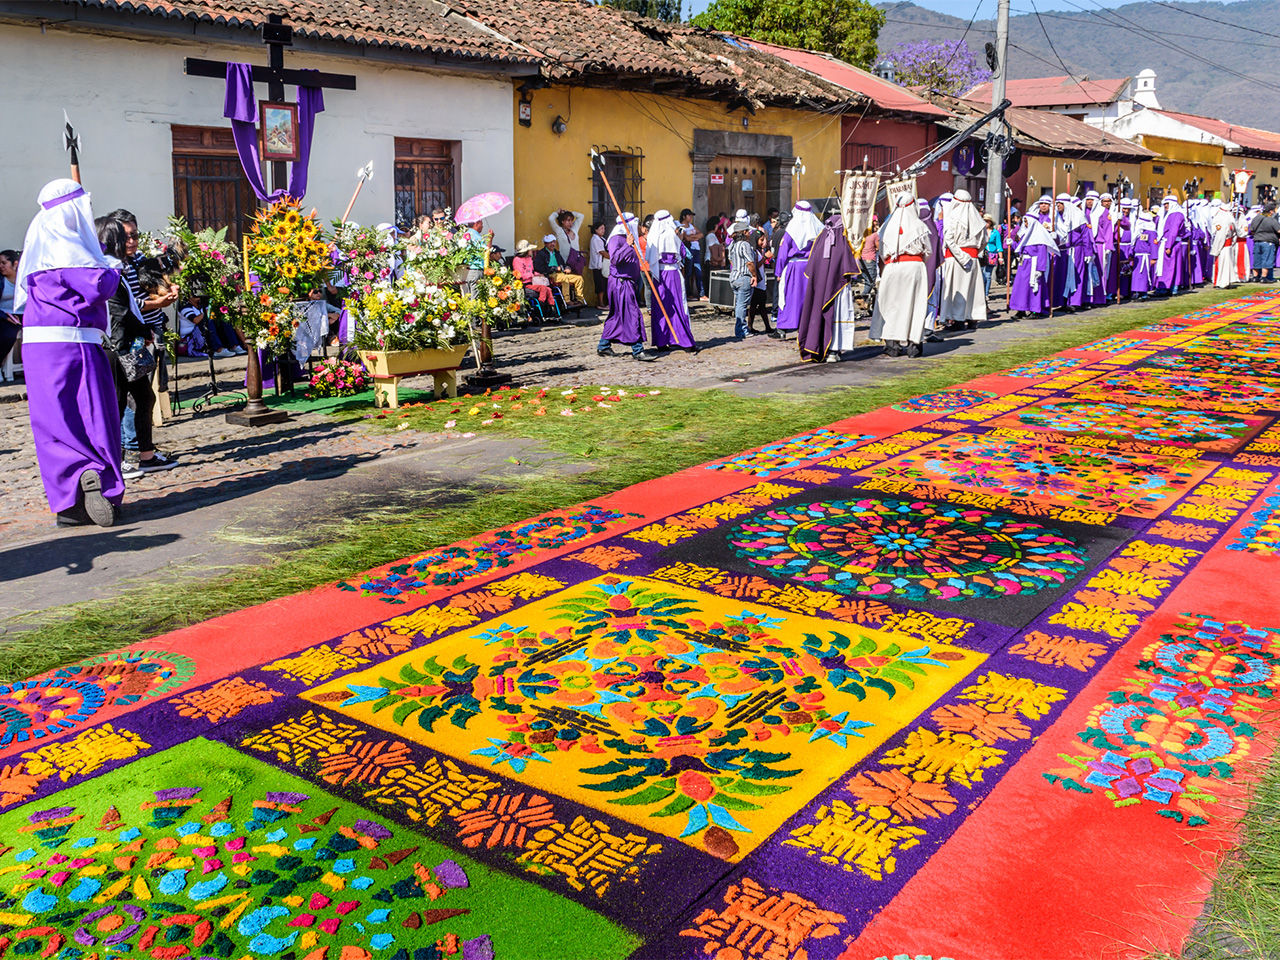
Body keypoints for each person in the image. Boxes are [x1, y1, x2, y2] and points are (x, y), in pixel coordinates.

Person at [17, 181, 127, 526]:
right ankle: (98, 478)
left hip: (37, 346)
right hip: (74, 343)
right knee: (93, 415)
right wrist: (112, 265)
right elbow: (99, 287)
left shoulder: (39, 252)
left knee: (53, 423)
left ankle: (68, 502)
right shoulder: (69, 250)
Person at [99, 219, 178, 477]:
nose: (131, 242)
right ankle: (130, 459)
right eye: (125, 238)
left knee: (143, 398)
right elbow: (120, 311)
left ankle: (141, 455)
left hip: (130, 341)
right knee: (127, 402)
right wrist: (144, 331)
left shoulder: (123, 267)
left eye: (133, 236)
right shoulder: (107, 271)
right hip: (120, 344)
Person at [870, 194, 932, 358]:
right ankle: (913, 346)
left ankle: (893, 346)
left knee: (892, 306)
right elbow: (928, 251)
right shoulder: (919, 226)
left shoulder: (885, 226)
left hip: (891, 268)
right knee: (914, 306)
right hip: (914, 268)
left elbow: (881, 253)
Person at [797, 212, 859, 362]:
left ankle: (822, 347)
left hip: (820, 288)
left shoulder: (820, 239)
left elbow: (812, 266)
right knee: (837, 314)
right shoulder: (842, 240)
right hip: (838, 288)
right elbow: (849, 267)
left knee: (821, 313)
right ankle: (833, 350)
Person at [598, 214, 656, 361]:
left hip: (628, 282)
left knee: (617, 315)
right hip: (620, 283)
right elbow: (615, 259)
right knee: (632, 314)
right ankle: (638, 350)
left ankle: (603, 345)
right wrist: (627, 245)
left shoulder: (630, 239)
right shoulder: (615, 239)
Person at [643, 211, 698, 352]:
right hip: (672, 274)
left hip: (658, 275)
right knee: (678, 306)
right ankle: (684, 341)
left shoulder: (653, 236)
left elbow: (649, 257)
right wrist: (680, 238)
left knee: (660, 307)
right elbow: (682, 254)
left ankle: (662, 341)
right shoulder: (671, 235)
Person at [939, 189, 987, 331]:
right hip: (972, 258)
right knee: (972, 290)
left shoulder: (952, 217)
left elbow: (949, 240)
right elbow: (984, 240)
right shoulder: (978, 219)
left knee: (957, 290)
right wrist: (973, 253)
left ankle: (958, 320)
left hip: (956, 258)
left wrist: (961, 256)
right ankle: (972, 318)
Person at [773, 200, 822, 340]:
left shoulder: (791, 231)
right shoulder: (817, 229)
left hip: (794, 268)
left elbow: (783, 253)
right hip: (811, 267)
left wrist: (778, 272)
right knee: (807, 298)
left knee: (789, 297)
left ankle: (783, 327)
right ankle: (805, 326)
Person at [1008, 196, 1059, 319]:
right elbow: (1020, 249)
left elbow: (1042, 253)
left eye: (1026, 222)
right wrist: (1012, 243)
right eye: (1024, 221)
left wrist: (1040, 269)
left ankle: (1035, 310)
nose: (1025, 224)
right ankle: (1021, 309)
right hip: (1023, 264)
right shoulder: (1025, 235)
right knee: (1021, 288)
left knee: (1034, 288)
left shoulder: (1039, 236)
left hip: (1034, 265)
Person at [727, 220, 757, 340]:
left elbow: (731, 260)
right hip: (743, 277)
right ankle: (741, 330)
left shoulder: (732, 245)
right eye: (748, 231)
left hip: (734, 276)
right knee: (742, 305)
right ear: (744, 232)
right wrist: (754, 275)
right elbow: (750, 262)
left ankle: (740, 328)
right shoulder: (745, 245)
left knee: (739, 304)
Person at [533, 235, 585, 304]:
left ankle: (580, 300)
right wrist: (554, 268)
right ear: (545, 243)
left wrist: (567, 267)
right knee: (564, 278)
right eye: (550, 242)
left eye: (554, 242)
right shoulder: (541, 254)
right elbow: (539, 267)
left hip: (561, 274)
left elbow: (563, 263)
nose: (552, 244)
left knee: (579, 278)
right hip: (549, 275)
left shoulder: (556, 253)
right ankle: (567, 300)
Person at [1156, 195, 1189, 296]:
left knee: (1168, 267)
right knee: (1170, 266)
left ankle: (1166, 287)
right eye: (1164, 204)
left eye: (1167, 204)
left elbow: (1173, 231)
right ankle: (1169, 287)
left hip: (1171, 243)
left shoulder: (1176, 214)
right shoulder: (1168, 214)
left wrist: (1168, 246)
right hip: (1168, 242)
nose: (1165, 206)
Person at [512, 240, 556, 310]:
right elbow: (520, 275)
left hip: (533, 282)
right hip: (524, 284)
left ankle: (552, 306)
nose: (532, 251)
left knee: (549, 289)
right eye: (530, 249)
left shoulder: (529, 259)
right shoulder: (517, 260)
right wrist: (532, 275)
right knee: (543, 288)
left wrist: (539, 275)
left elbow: (532, 271)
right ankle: (542, 305)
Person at [1209, 199, 1241, 288]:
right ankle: (1224, 282)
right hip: (1228, 245)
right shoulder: (1229, 218)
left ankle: (1221, 283)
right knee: (1226, 265)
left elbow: (1220, 236)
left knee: (1222, 265)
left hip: (1223, 246)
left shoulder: (1222, 219)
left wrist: (1216, 248)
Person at [0, 249, 21, 382]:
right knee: (7, 334)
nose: (0, 266)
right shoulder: (1, 280)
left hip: (26, 314)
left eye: (4, 263)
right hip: (5, 315)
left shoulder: (24, 278)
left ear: (15, 264)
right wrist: (6, 317)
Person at [677, 209, 705, 300]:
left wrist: (692, 237)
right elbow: (686, 238)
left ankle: (701, 294)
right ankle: (688, 293)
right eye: (689, 216)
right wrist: (695, 237)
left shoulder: (692, 225)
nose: (691, 217)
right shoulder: (681, 226)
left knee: (698, 272)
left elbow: (701, 234)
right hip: (690, 250)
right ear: (684, 216)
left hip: (696, 249)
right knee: (688, 272)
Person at [1249, 202, 1279, 283]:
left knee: (1257, 259)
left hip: (1257, 240)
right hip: (1268, 241)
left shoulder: (1256, 218)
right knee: (1267, 259)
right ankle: (1264, 277)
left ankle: (1255, 277)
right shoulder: (1271, 220)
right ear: (1271, 211)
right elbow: (1279, 230)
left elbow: (1252, 230)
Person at [548, 209, 585, 273]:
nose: (570, 223)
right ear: (563, 221)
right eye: (568, 220)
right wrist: (557, 213)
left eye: (571, 220)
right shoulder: (559, 231)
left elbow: (581, 216)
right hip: (565, 261)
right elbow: (551, 219)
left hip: (576, 261)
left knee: (578, 279)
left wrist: (569, 212)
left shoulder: (574, 229)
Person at [981, 213, 1003, 305]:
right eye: (984, 221)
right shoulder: (981, 231)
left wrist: (1001, 257)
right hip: (982, 254)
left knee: (988, 275)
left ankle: (986, 294)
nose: (985, 223)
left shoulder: (995, 233)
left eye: (987, 221)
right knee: (981, 274)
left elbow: (999, 245)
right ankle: (980, 293)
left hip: (992, 255)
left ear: (990, 222)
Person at [588, 221, 609, 308]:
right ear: (595, 230)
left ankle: (604, 302)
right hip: (598, 265)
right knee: (600, 285)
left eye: (604, 228)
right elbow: (602, 252)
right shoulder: (595, 239)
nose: (603, 230)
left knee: (604, 283)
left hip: (603, 265)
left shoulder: (602, 239)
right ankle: (600, 303)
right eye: (601, 228)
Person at [858, 221, 880, 298]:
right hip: (870, 259)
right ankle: (862, 298)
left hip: (861, 260)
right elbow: (878, 247)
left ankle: (865, 300)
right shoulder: (875, 235)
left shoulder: (862, 235)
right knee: (870, 282)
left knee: (867, 281)